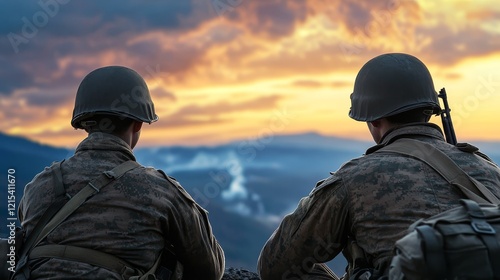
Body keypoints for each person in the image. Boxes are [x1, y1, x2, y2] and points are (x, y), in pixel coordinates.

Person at [257, 53, 500, 279]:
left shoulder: (355, 178)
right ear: (430, 110)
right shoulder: (489, 169)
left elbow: (274, 265)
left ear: (372, 118)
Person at [17, 66, 225, 279]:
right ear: (138, 124)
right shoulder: (161, 192)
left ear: (84, 123)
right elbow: (211, 269)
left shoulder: (38, 186)